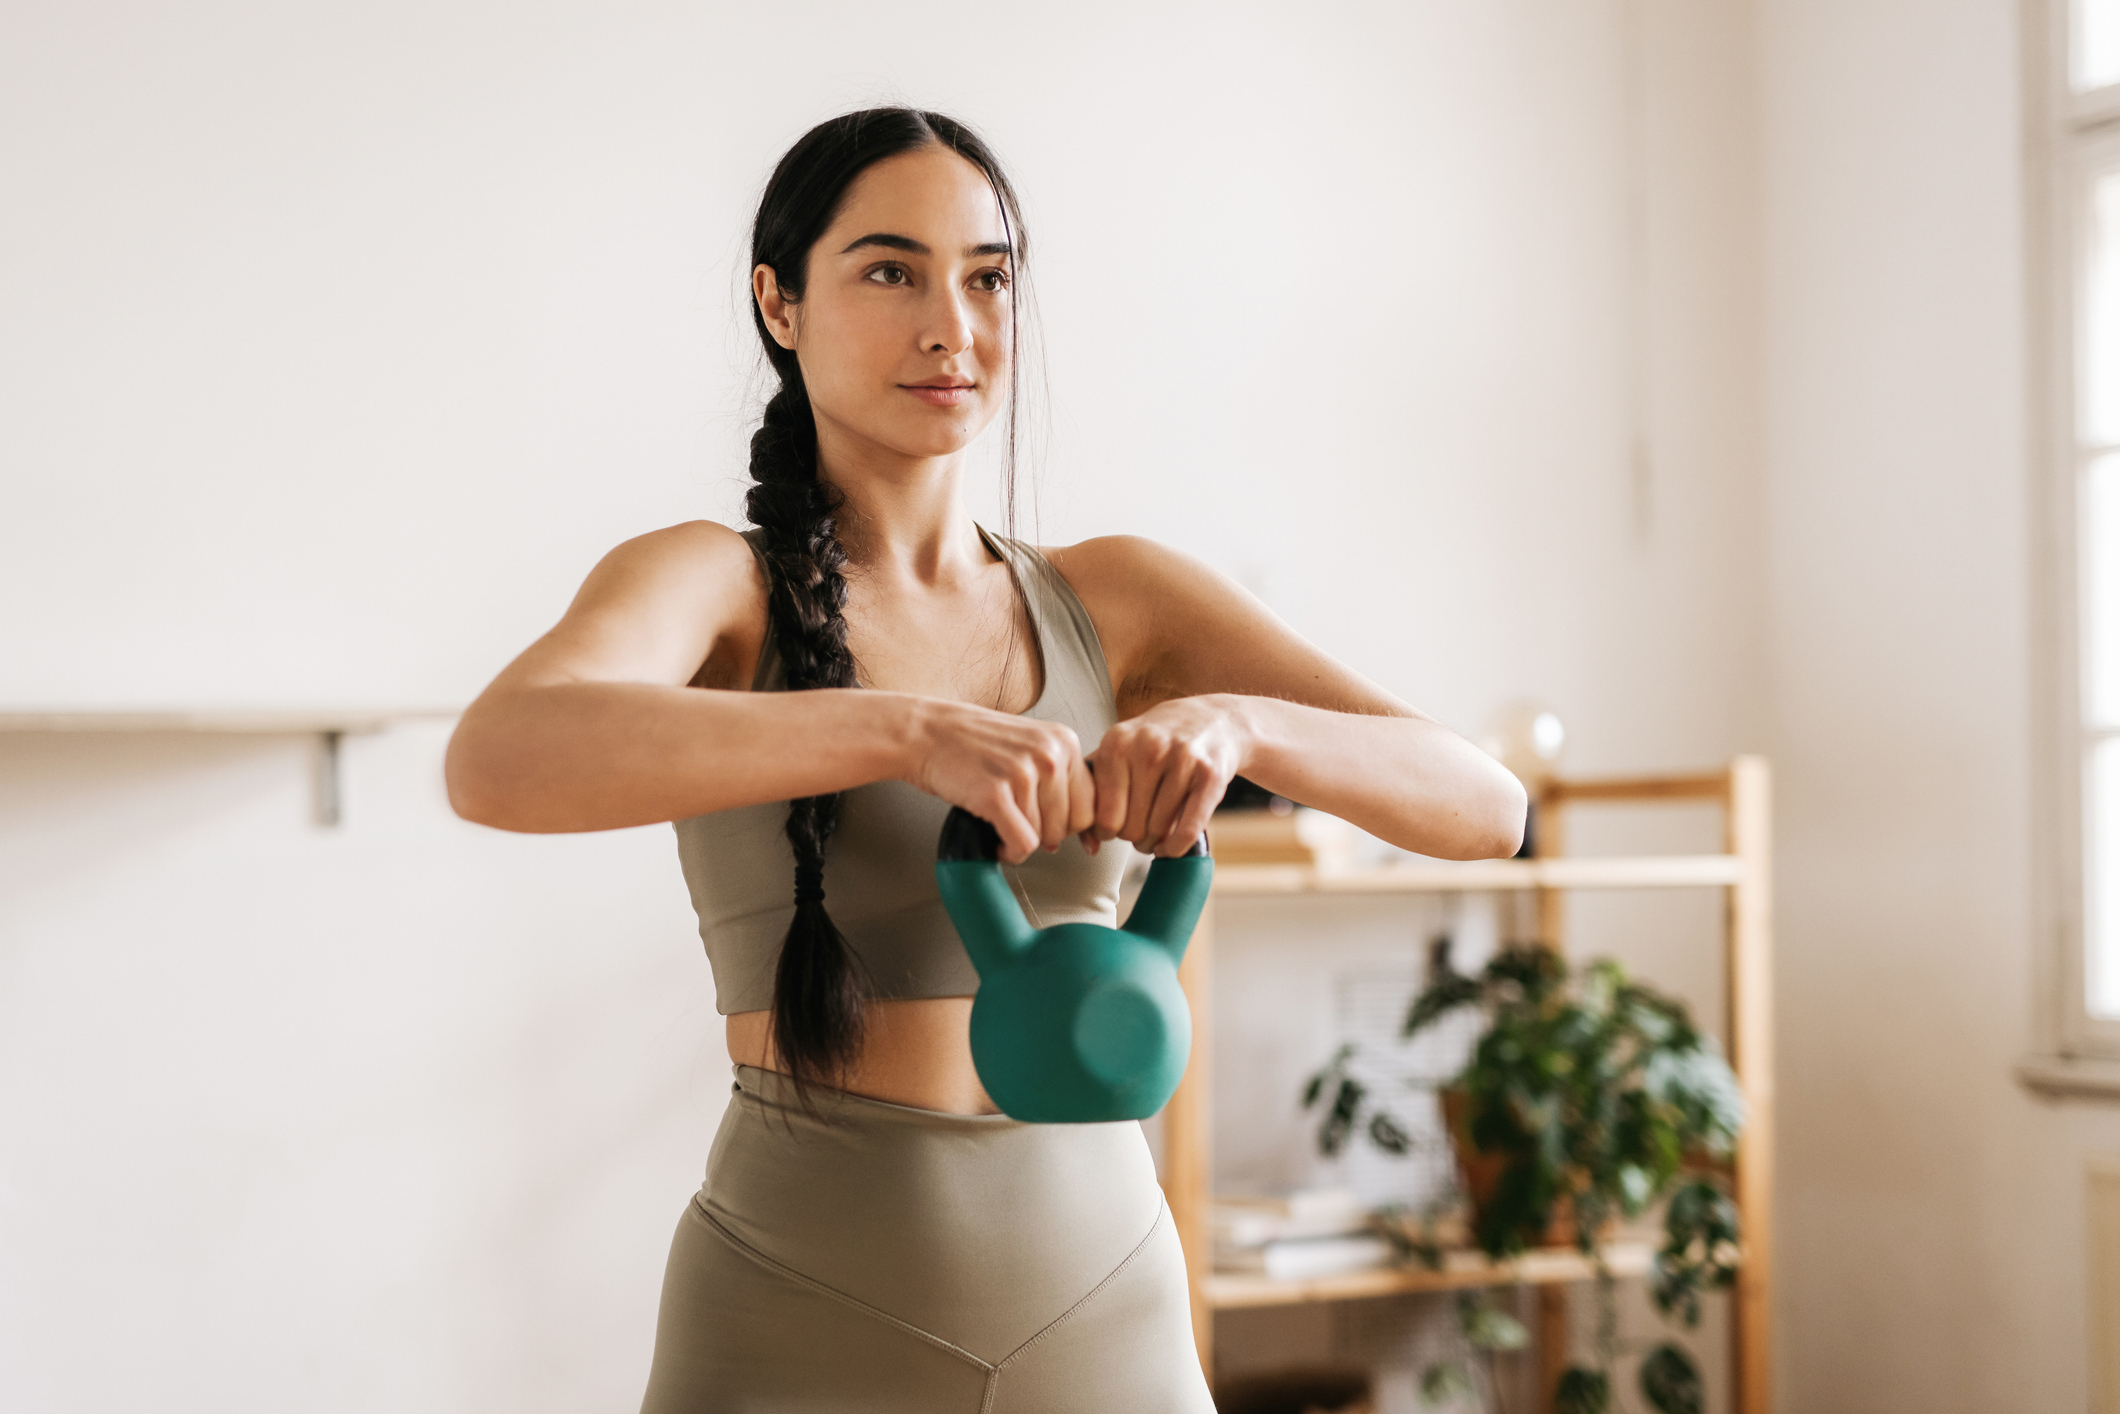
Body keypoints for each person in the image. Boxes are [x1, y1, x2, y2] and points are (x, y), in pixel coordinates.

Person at [446, 107, 1526, 1414]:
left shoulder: (1117, 597)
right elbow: (497, 759)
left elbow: (1485, 805)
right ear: (777, 303)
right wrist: (903, 726)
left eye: (988, 275)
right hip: (791, 1307)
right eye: (890, 269)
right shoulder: (710, 585)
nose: (951, 322)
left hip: (1099, 1302)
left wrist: (1243, 724)